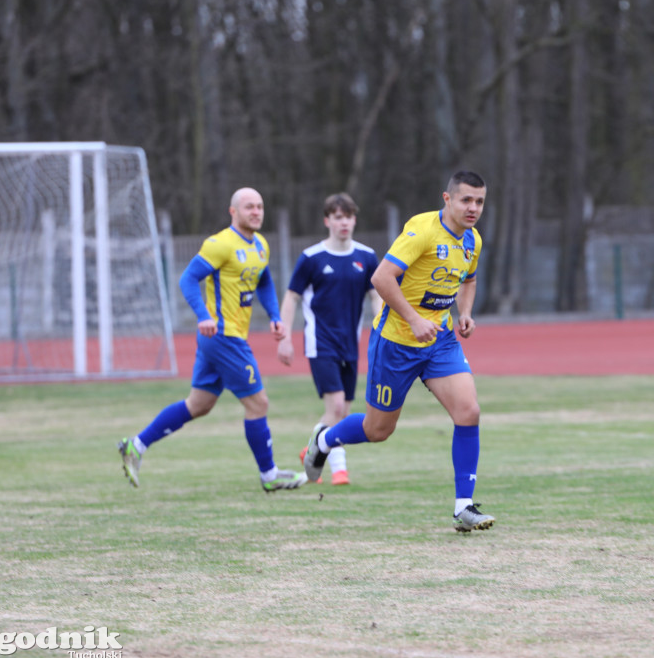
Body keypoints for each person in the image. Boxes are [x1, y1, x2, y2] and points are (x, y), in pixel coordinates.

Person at [297, 171, 495, 532]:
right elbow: (381, 278)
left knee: (469, 411)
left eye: (479, 201)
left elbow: (469, 278)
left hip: (440, 340)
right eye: (466, 200)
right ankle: (323, 439)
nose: (474, 208)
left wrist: (464, 314)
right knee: (378, 430)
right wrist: (414, 320)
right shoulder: (421, 230)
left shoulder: (473, 240)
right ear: (447, 199)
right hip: (396, 342)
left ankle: (463, 507)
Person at [118, 187, 300, 492]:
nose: (256, 212)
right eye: (248, 207)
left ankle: (136, 445)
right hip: (223, 336)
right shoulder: (219, 244)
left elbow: (264, 280)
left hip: (223, 339)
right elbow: (187, 278)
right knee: (259, 403)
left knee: (199, 404)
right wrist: (203, 315)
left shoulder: (261, 245)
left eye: (259, 206)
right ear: (233, 212)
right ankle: (269, 475)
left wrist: (274, 316)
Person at [277, 192, 382, 485]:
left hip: (351, 343)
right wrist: (284, 338)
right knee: (336, 408)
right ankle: (339, 470)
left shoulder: (366, 256)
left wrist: (380, 324)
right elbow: (291, 298)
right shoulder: (311, 258)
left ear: (354, 220)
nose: (344, 222)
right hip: (320, 342)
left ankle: (312, 449)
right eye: (338, 217)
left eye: (348, 216)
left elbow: (376, 296)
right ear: (327, 221)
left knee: (345, 411)